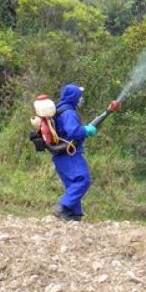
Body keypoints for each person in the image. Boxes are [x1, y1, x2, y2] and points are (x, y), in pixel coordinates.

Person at [52, 84, 97, 222]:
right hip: (70, 155)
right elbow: (73, 132)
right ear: (73, 97)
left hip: (60, 156)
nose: (81, 99)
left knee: (73, 183)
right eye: (79, 96)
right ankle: (63, 207)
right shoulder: (69, 113)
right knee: (83, 179)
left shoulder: (60, 109)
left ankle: (73, 215)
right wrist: (86, 130)